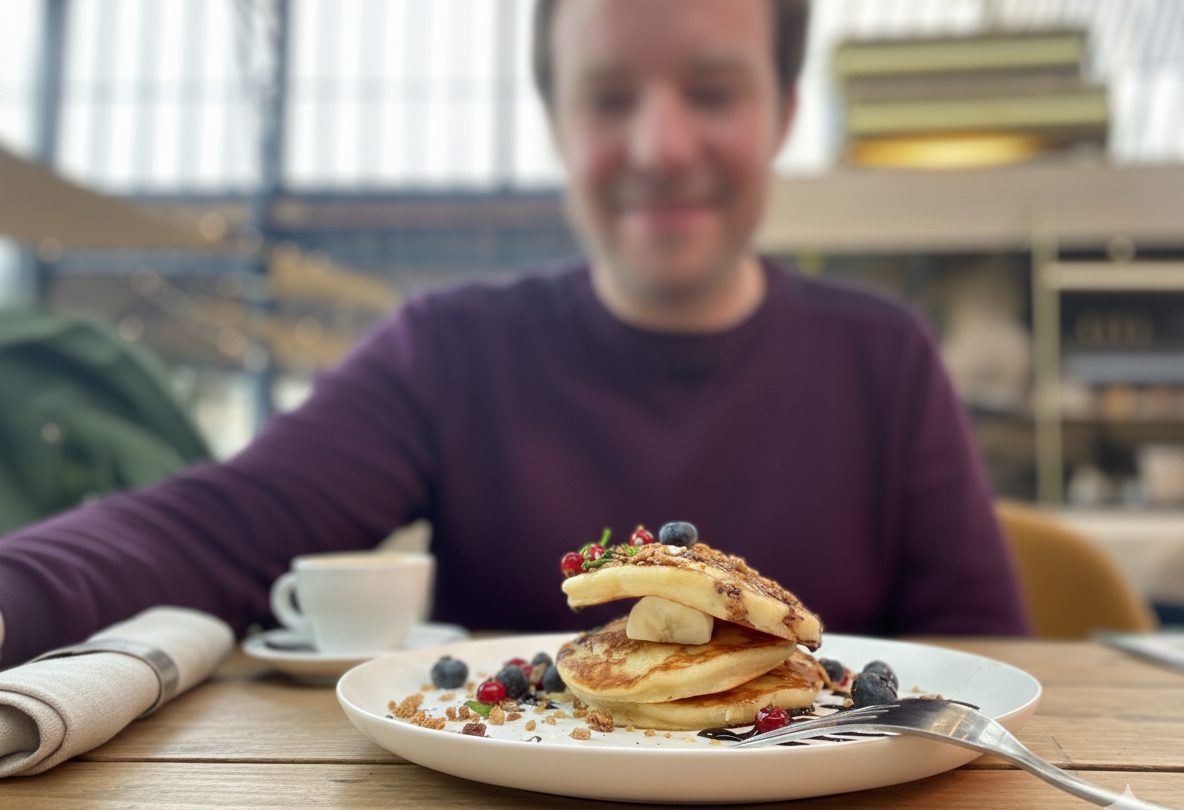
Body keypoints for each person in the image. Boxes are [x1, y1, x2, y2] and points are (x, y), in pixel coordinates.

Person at [0, 0, 1029, 668]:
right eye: (607, 96)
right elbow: (217, 529)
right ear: (554, 121)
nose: (659, 146)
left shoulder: (881, 360)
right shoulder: (450, 350)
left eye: (711, 92)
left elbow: (986, 659)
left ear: (783, 112)